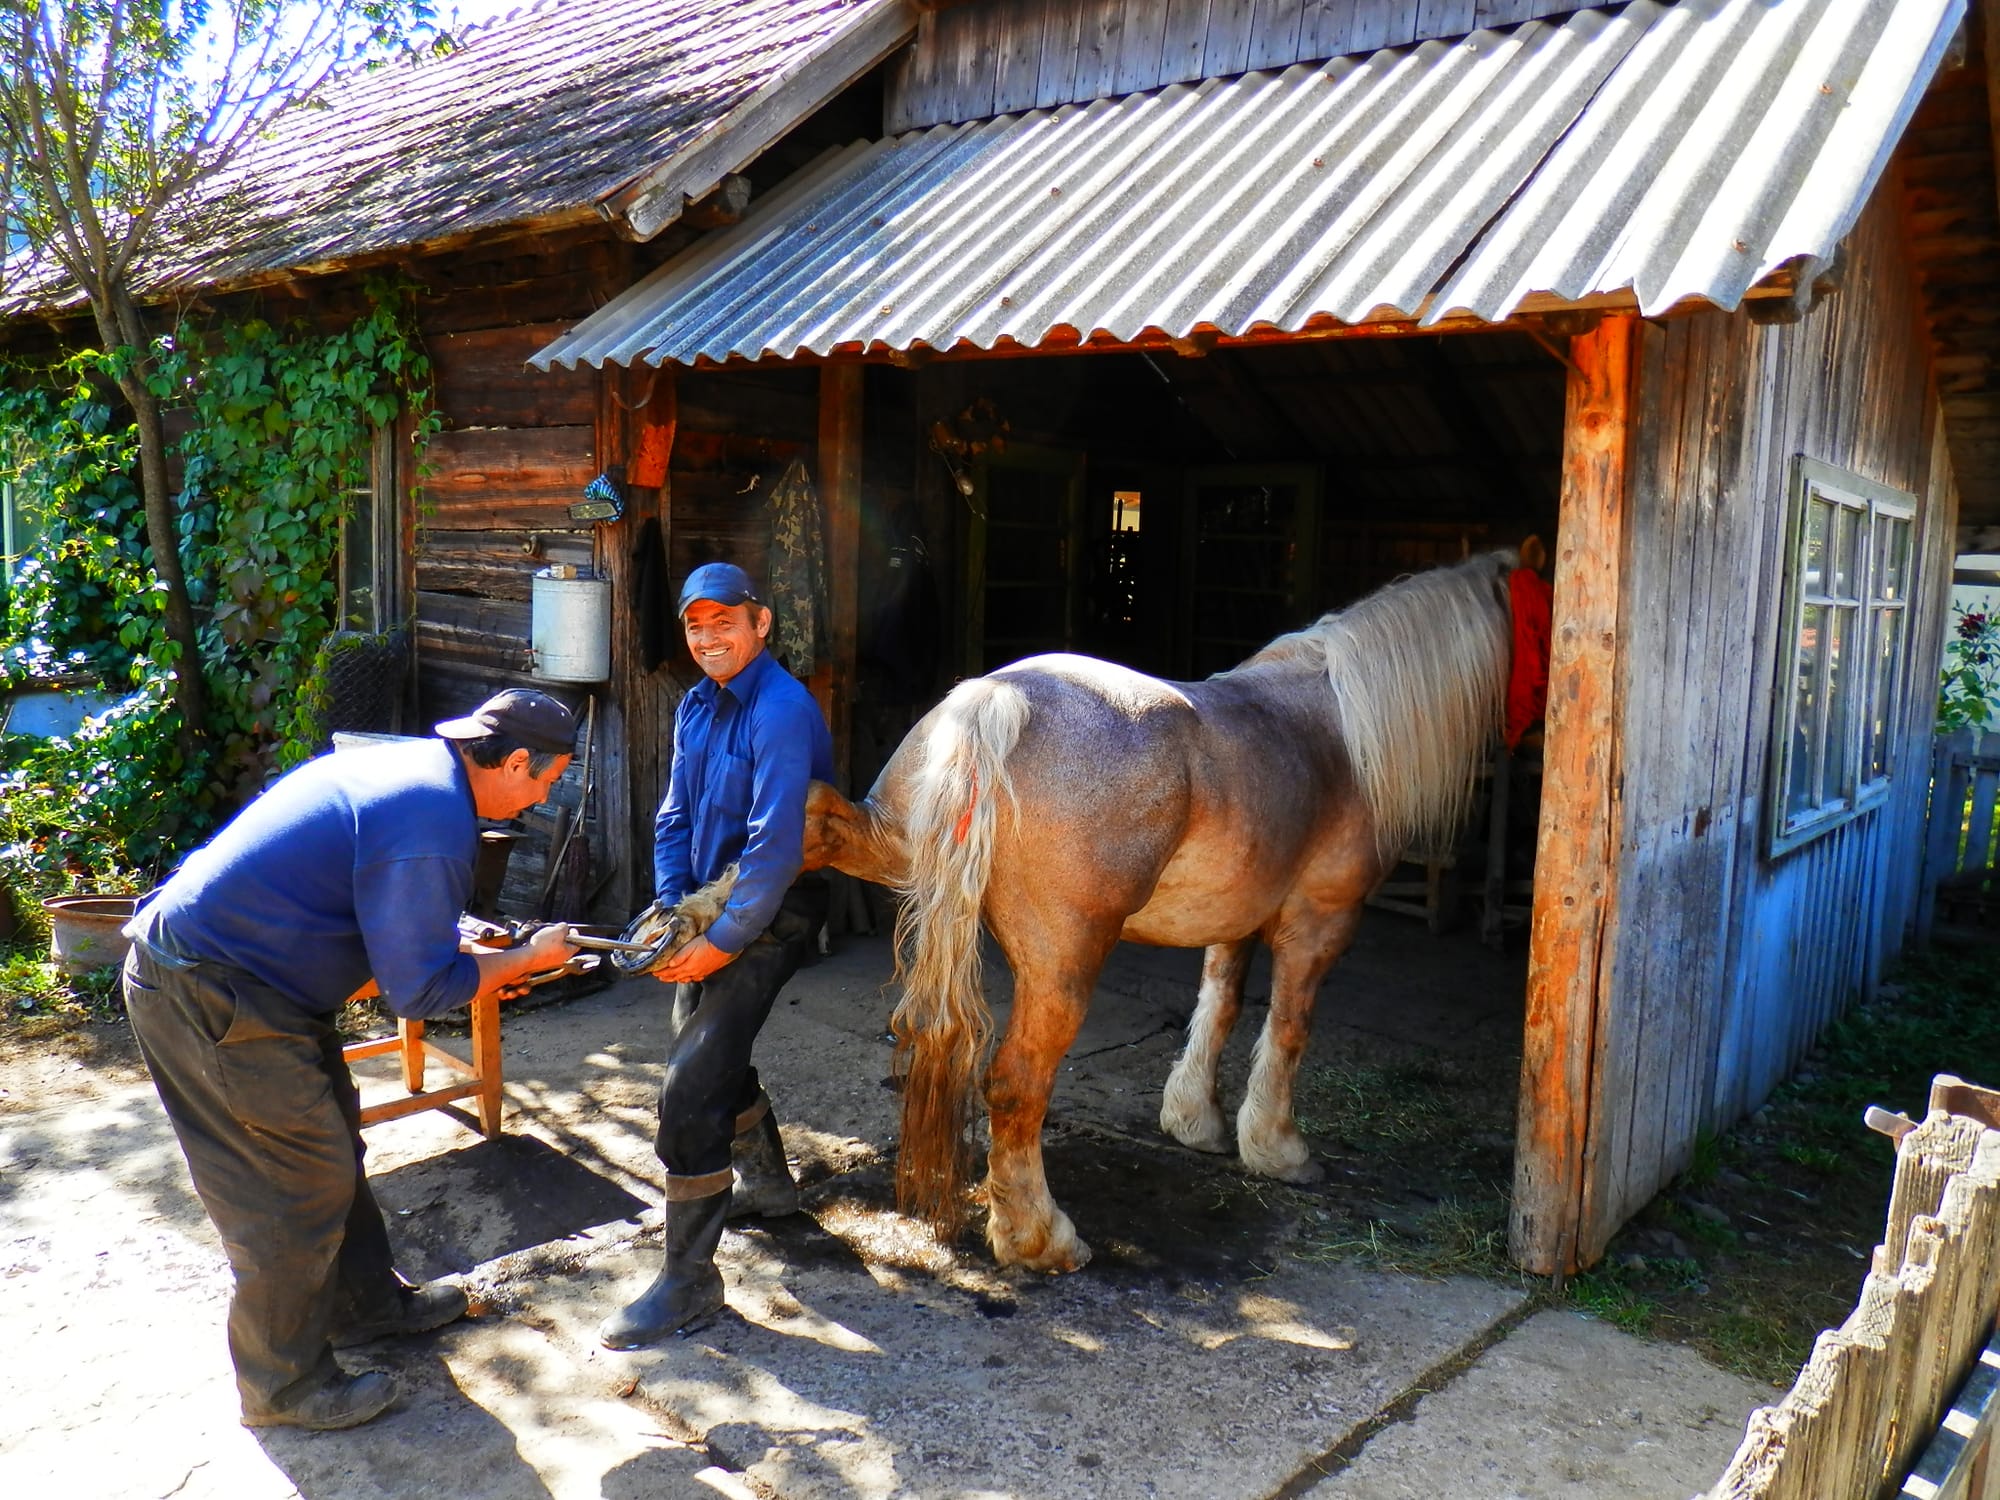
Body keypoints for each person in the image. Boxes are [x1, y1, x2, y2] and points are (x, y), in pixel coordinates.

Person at [122, 689, 582, 1431]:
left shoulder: (418, 770)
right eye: (545, 780)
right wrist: (526, 958)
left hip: (253, 981)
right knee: (290, 1186)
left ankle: (367, 1306)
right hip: (211, 989)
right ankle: (282, 1387)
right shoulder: (432, 821)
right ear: (516, 759)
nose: (541, 796)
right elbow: (418, 990)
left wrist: (474, 951)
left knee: (333, 1148)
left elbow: (392, 924)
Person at [600, 561, 834, 1349]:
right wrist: (674, 915)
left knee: (687, 1092)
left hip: (776, 912)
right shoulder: (693, 708)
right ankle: (768, 1188)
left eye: (723, 621)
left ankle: (689, 1281)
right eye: (695, 624)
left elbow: (774, 849)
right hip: (705, 907)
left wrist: (721, 941)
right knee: (710, 1057)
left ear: (759, 623)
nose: (708, 637)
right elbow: (672, 817)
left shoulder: (782, 709)